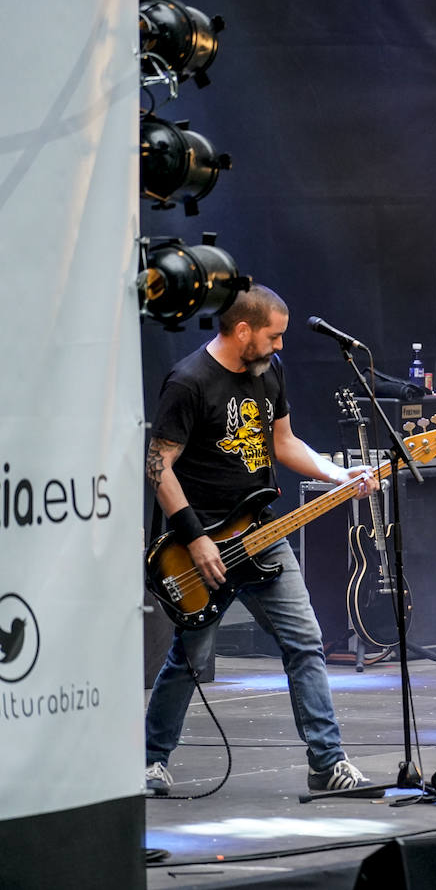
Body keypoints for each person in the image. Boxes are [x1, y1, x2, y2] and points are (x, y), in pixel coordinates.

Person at [143, 284, 380, 796]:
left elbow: (284, 442)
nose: (280, 347)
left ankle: (328, 762)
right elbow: (157, 466)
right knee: (188, 660)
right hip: (199, 546)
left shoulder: (269, 371)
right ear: (243, 330)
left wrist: (339, 474)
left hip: (262, 535)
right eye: (273, 336)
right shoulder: (189, 381)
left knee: (306, 644)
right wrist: (196, 538)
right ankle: (150, 761)